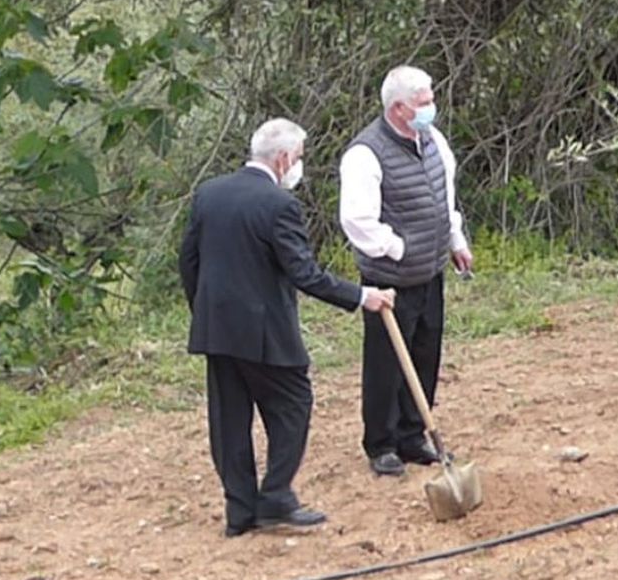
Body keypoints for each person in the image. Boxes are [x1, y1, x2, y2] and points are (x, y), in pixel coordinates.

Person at [180, 119, 395, 537]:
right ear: (282, 158)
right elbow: (306, 273)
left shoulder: (209, 193)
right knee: (294, 403)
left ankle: (240, 511)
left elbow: (188, 261)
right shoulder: (279, 205)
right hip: (264, 332)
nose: (297, 166)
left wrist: (205, 310)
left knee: (229, 419)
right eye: (297, 158)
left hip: (216, 328)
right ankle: (276, 494)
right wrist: (360, 296)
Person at [340, 65, 473, 476]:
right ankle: (381, 442)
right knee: (385, 362)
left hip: (431, 271)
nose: (431, 108)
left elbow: (444, 196)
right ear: (398, 109)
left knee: (425, 353)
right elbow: (357, 220)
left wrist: (455, 240)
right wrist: (397, 248)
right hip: (390, 281)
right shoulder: (365, 154)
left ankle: (414, 434)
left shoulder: (435, 141)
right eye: (423, 102)